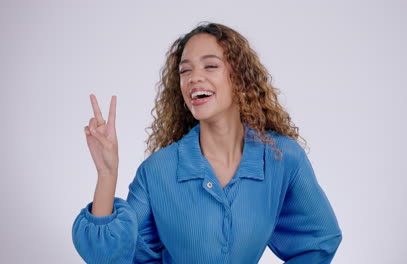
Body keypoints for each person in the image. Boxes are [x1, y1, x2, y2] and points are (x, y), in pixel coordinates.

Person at [72, 22, 342, 264]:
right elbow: (107, 258)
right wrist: (107, 173)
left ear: (239, 77)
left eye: (210, 66)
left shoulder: (281, 157)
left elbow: (318, 242)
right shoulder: (158, 171)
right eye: (185, 70)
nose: (193, 78)